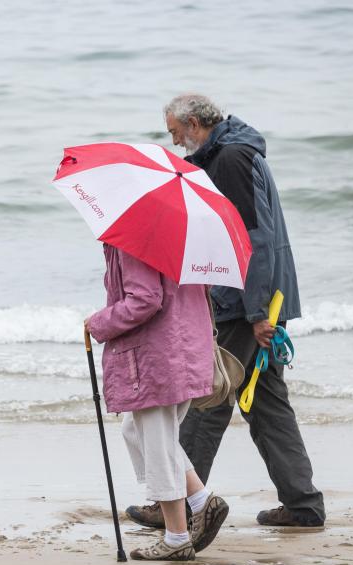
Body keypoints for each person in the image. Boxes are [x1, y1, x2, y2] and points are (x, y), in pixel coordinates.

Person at [126, 94, 326, 528]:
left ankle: (174, 507)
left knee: (207, 398)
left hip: (244, 306)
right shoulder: (228, 155)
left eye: (177, 135)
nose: (178, 144)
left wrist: (258, 314)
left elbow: (253, 238)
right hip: (253, 301)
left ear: (195, 124)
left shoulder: (232, 159)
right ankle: (304, 505)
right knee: (267, 405)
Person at [85, 244, 229, 561]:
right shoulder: (182, 238)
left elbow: (145, 299)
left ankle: (177, 537)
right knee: (138, 432)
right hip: (183, 347)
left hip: (156, 355)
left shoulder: (136, 240)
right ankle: (201, 499)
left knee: (156, 441)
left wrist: (98, 322)